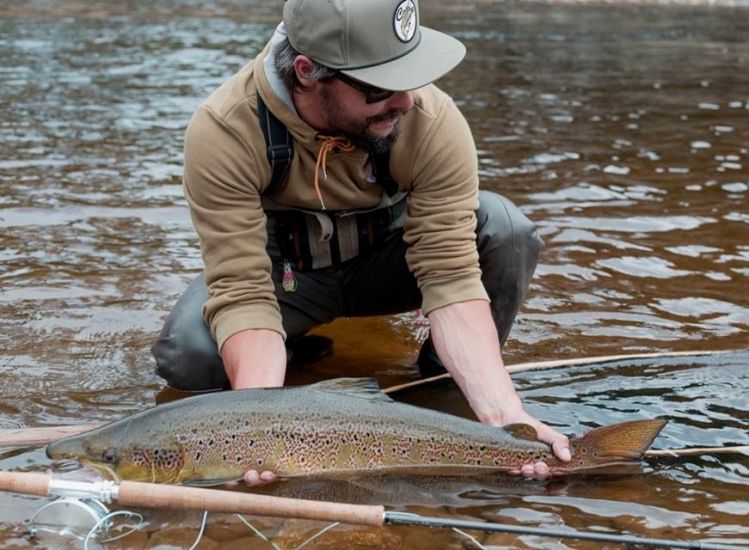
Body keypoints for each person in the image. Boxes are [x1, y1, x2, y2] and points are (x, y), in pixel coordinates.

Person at [152, 0, 571, 482]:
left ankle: (439, 381)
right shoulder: (226, 129)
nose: (406, 101)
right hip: (288, 280)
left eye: (409, 74)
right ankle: (287, 357)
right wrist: (261, 432)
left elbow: (450, 276)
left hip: (386, 269)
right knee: (188, 354)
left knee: (506, 229)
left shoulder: (430, 118)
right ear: (308, 72)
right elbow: (244, 293)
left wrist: (506, 418)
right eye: (379, 86)